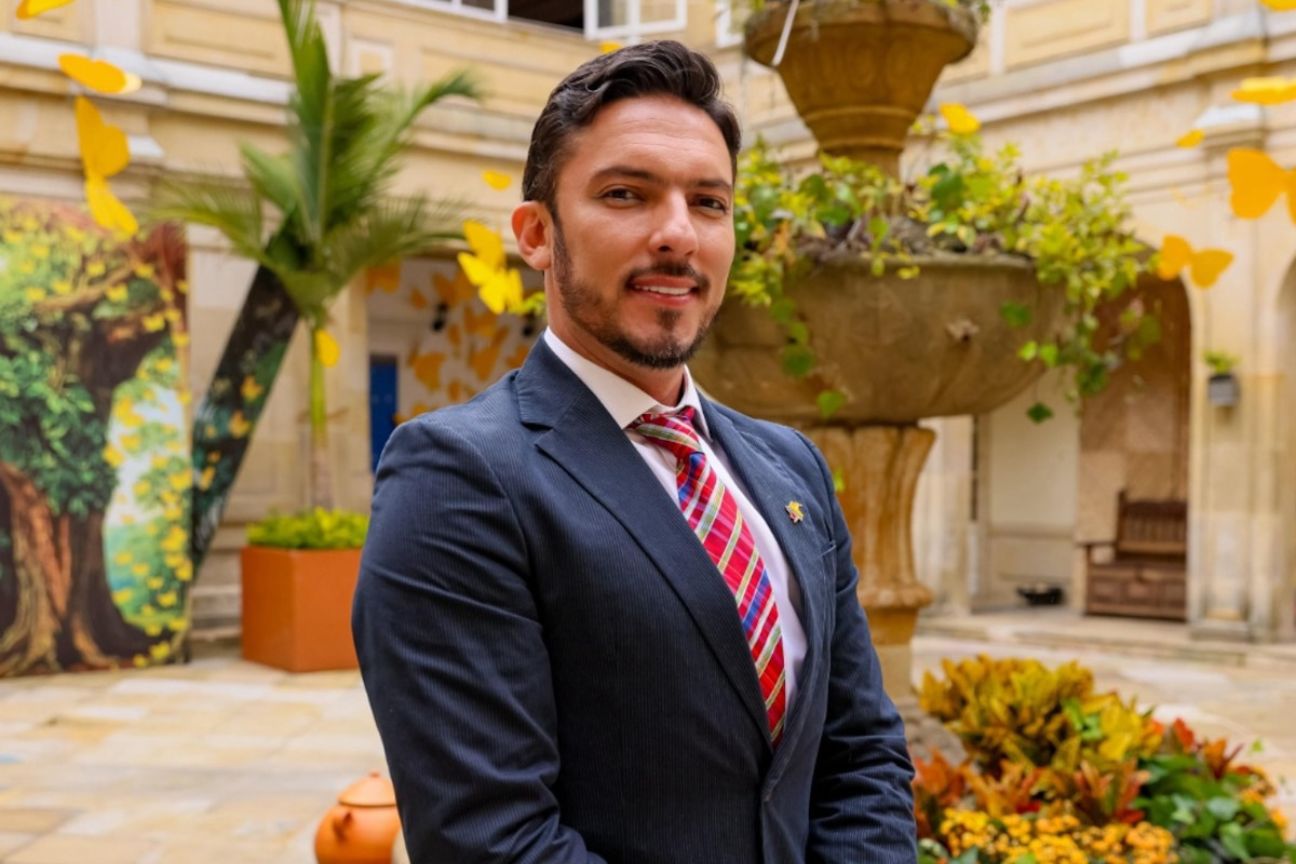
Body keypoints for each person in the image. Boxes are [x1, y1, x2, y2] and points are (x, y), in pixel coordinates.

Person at [352, 39, 916, 864]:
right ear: (537, 233)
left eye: (709, 202)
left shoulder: (789, 465)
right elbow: (494, 838)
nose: (678, 233)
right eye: (626, 194)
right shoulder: (459, 479)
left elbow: (861, 752)